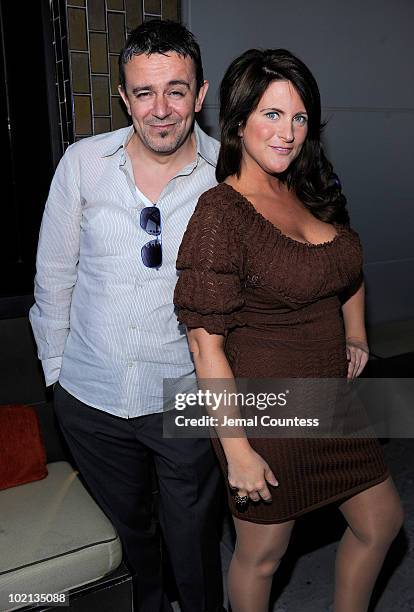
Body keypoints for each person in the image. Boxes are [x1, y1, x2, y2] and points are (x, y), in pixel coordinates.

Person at [174, 48, 404, 612]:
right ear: (237, 121)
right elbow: (206, 346)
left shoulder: (310, 187)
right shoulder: (220, 213)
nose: (287, 132)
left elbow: (346, 269)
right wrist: (238, 452)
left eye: (299, 117)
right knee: (264, 554)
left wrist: (357, 335)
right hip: (265, 413)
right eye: (272, 115)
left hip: (332, 400)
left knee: (382, 522)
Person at [29, 19, 225, 612]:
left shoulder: (230, 175)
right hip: (91, 399)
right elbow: (53, 279)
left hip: (185, 396)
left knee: (193, 540)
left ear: (201, 93)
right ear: (124, 96)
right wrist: (58, 377)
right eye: (144, 92)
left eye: (175, 90)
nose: (160, 110)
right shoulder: (83, 163)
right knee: (131, 538)